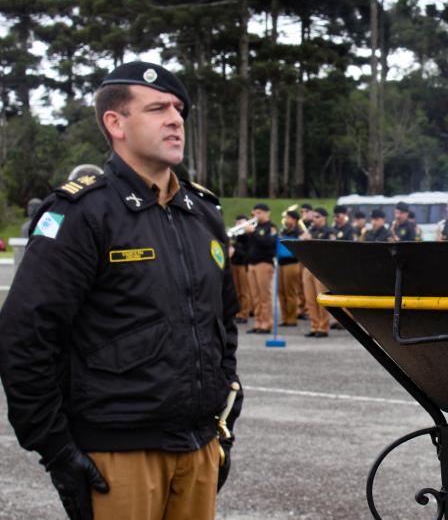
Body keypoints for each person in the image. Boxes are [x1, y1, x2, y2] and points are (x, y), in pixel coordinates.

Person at [0, 61, 242, 520]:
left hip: (199, 447)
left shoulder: (202, 213)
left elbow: (223, 322)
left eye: (178, 109)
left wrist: (225, 413)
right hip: (118, 453)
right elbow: (25, 333)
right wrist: (55, 447)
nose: (175, 119)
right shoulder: (84, 212)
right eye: (157, 109)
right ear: (116, 123)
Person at [245, 203, 277, 333]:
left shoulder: (271, 227)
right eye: (254, 213)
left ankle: (266, 323)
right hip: (252, 264)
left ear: (267, 213)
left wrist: (254, 232)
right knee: (255, 296)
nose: (256, 216)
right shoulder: (255, 226)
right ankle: (258, 322)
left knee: (264, 296)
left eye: (259, 213)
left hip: (264, 263)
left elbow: (268, 243)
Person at [301, 207, 332, 337]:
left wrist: (311, 239)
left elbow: (329, 249)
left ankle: (323, 327)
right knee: (310, 299)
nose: (314, 219)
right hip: (308, 266)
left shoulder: (329, 231)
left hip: (321, 268)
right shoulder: (311, 230)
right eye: (313, 217)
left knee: (321, 298)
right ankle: (314, 326)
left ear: (324, 217)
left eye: (317, 217)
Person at [277, 210, 304, 327]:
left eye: (288, 218)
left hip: (292, 263)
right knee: (281, 291)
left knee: (290, 292)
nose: (286, 220)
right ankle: (285, 317)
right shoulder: (283, 230)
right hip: (281, 263)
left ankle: (292, 318)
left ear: (294, 219)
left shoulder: (299, 232)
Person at [229, 215, 253, 323]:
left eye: (240, 222)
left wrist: (236, 248)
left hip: (243, 264)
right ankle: (238, 312)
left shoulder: (248, 236)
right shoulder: (236, 235)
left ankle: (244, 313)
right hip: (234, 263)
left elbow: (247, 252)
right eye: (237, 222)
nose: (238, 225)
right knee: (236, 291)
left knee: (244, 291)